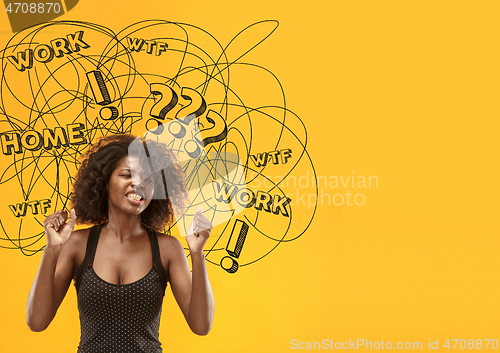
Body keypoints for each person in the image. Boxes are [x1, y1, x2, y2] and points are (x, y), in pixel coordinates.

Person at [26, 134, 214, 352]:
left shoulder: (167, 248)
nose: (139, 183)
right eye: (127, 175)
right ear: (104, 182)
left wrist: (198, 255)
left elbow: (201, 326)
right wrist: (52, 249)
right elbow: (37, 322)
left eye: (150, 180)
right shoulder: (78, 244)